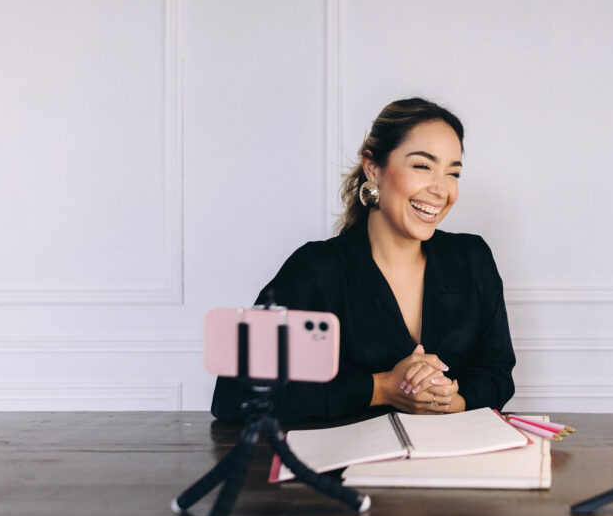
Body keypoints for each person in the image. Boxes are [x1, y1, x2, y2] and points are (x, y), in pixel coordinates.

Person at [211, 97, 516, 422]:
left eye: (452, 173)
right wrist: (381, 388)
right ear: (373, 167)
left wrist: (449, 400)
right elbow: (235, 394)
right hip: (347, 469)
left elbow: (497, 374)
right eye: (423, 166)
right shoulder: (318, 270)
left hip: (451, 466)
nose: (441, 190)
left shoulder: (471, 260)